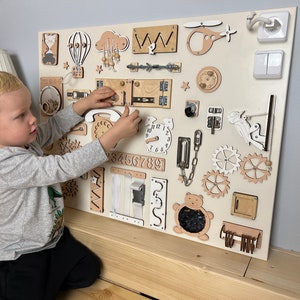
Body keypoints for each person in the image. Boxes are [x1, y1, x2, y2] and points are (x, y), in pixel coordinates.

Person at [0, 71, 141, 300]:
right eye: (21, 115)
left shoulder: (27, 141)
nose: (33, 118)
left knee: (89, 270)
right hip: (20, 254)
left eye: (30, 109)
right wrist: (113, 135)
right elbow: (65, 166)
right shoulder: (5, 164)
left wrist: (85, 104)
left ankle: (46, 279)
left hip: (50, 240)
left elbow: (54, 126)